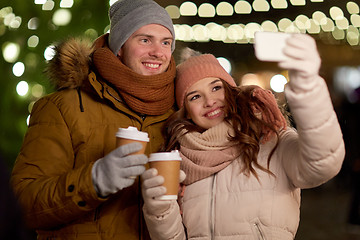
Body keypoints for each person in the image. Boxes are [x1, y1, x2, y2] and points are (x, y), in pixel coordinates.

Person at [141, 34, 346, 239]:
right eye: (195, 96)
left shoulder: (270, 139)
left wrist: (308, 88)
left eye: (216, 87)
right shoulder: (180, 160)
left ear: (231, 90)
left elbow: (322, 164)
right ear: (185, 110)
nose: (210, 101)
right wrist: (160, 210)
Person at [10, 0, 176, 239]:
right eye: (145, 39)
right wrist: (93, 181)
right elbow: (22, 203)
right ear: (119, 46)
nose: (158, 52)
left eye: (166, 42)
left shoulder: (179, 110)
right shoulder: (63, 107)